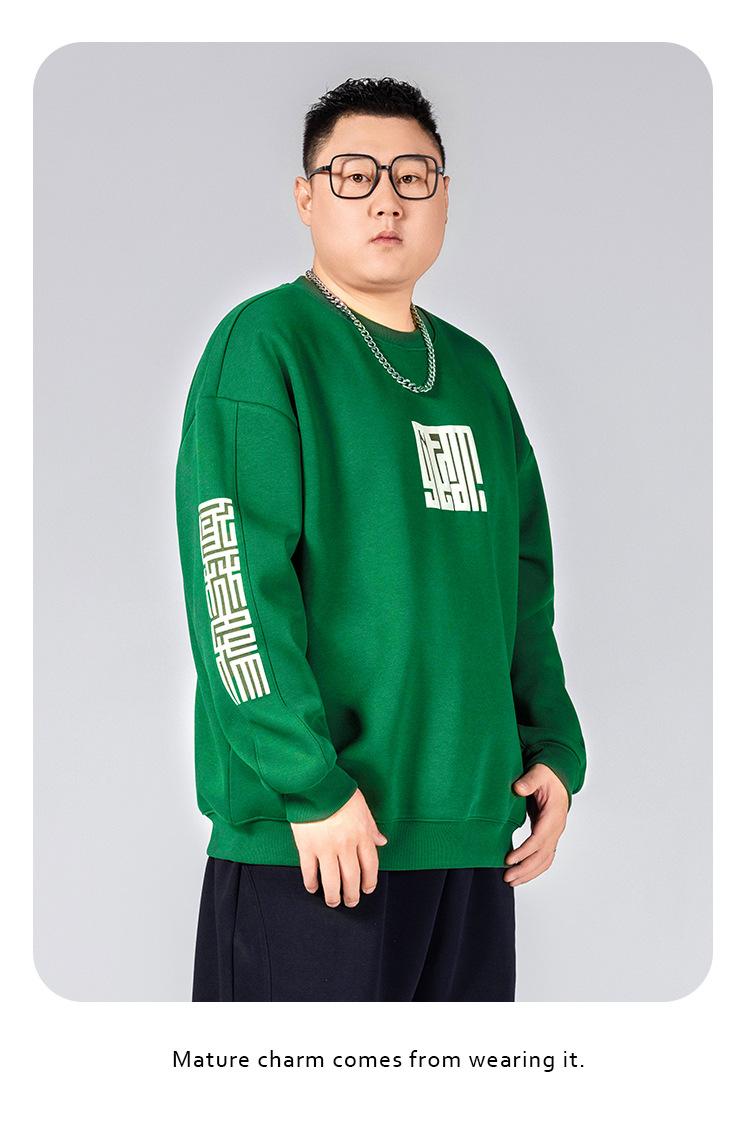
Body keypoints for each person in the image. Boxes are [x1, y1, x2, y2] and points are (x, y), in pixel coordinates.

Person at [174, 76, 587, 1002]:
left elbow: (521, 586)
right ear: (306, 197)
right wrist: (307, 783)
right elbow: (233, 585)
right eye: (354, 175)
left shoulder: (474, 372)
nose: (387, 199)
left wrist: (554, 745)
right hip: (319, 841)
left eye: (413, 175)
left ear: (444, 195)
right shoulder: (265, 345)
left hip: (471, 840)